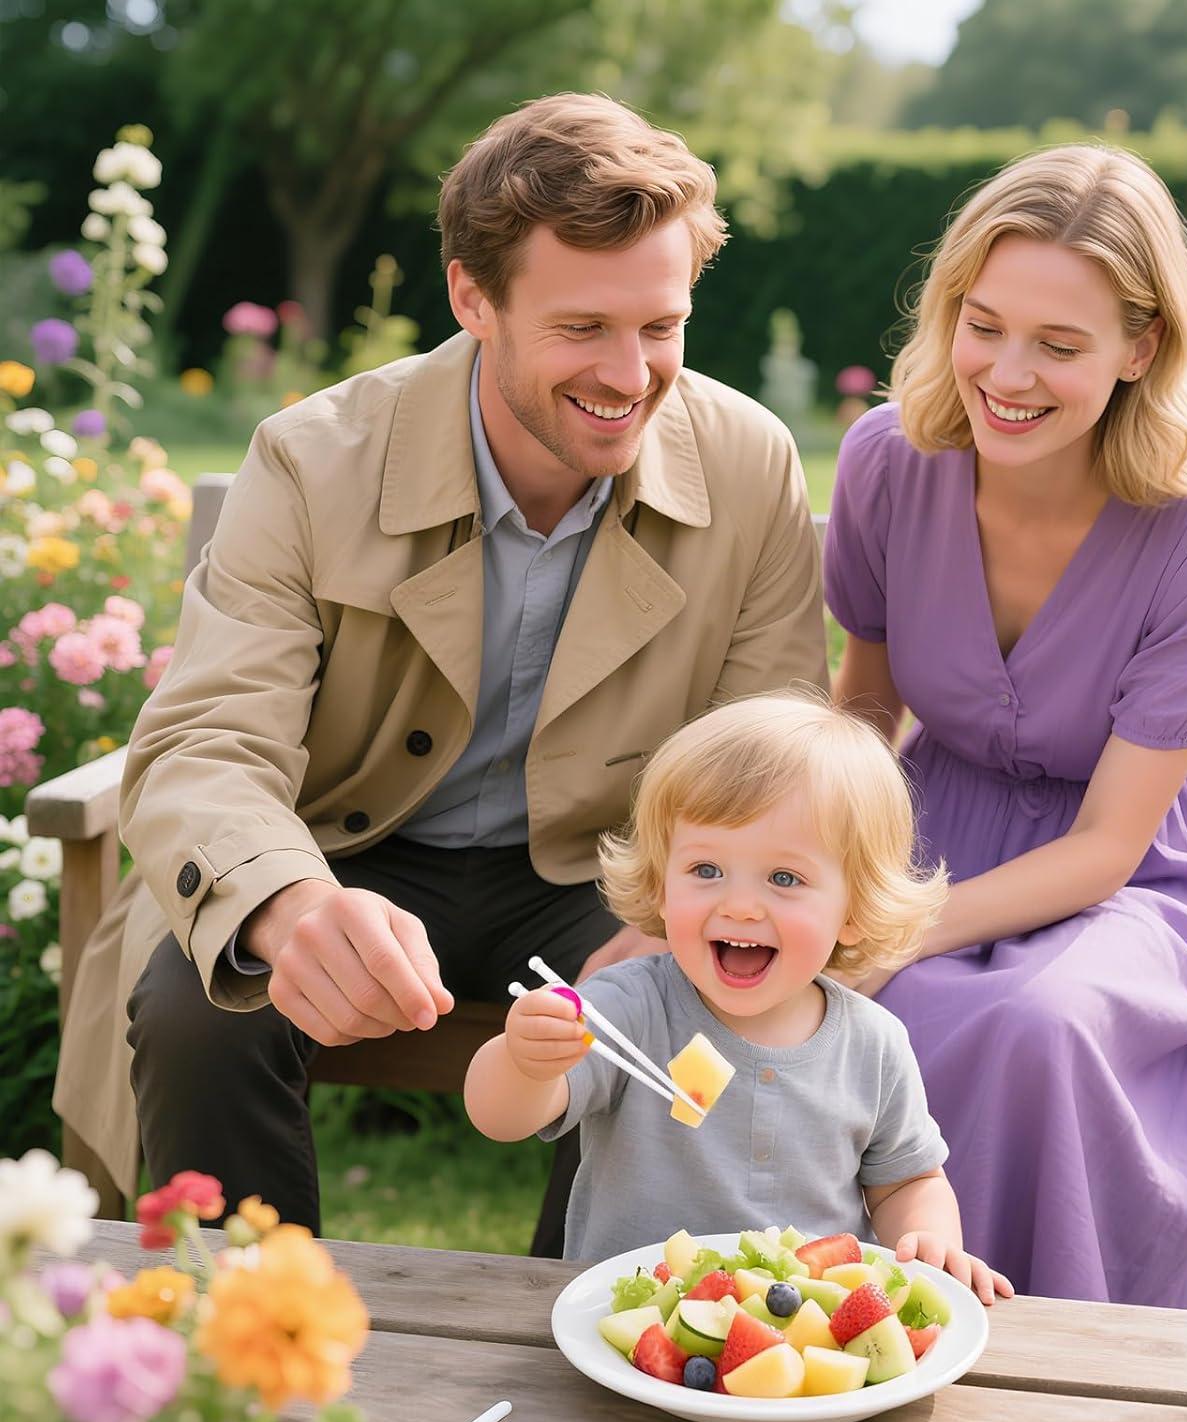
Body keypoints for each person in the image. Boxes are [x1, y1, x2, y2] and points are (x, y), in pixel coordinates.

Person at [52, 94, 827, 1253]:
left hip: (604, 875)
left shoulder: (752, 464)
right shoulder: (311, 459)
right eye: (583, 329)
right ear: (473, 298)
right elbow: (206, 740)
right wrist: (289, 904)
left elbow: (775, 750)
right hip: (344, 849)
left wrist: (691, 911)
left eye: (662, 327)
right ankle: (256, 1347)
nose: (632, 376)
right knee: (197, 1004)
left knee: (697, 1004)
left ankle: (601, 1339)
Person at [824, 143, 1187, 1312]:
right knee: (848, 1000)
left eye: (1060, 346)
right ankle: (839, 1328)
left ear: (1141, 348)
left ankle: (1055, 1345)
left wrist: (894, 930)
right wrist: (819, 875)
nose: (1006, 375)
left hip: (1132, 871)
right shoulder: (888, 460)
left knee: (1039, 1023)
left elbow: (1108, 846)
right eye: (984, 325)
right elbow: (866, 709)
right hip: (929, 824)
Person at [466, 694, 1010, 1302]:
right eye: (706, 870)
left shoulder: (874, 1043)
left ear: (853, 910)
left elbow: (907, 1182)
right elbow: (502, 1117)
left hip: (802, 1341)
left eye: (784, 879)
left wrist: (929, 1242)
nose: (740, 905)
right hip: (636, 1326)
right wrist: (523, 1061)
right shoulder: (630, 1008)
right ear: (661, 884)